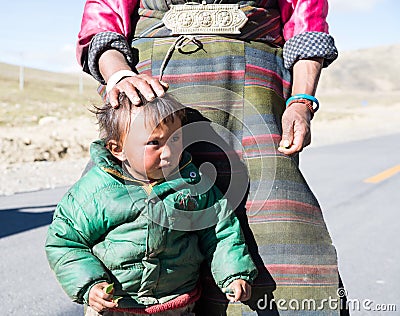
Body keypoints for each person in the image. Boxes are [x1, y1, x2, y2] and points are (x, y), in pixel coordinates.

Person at [76, 1, 348, 314]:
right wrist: (119, 75)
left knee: (273, 233)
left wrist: (302, 99)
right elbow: (104, 17)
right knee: (129, 220)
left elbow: (306, 17)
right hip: (150, 92)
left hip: (253, 88)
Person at [45, 93, 258, 316]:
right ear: (118, 149)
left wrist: (234, 274)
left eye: (175, 139)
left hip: (177, 304)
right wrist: (90, 286)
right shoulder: (95, 192)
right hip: (115, 306)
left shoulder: (193, 183)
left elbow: (219, 230)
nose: (168, 153)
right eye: (154, 143)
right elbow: (64, 242)